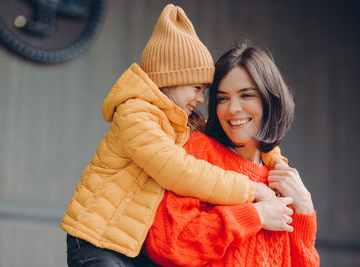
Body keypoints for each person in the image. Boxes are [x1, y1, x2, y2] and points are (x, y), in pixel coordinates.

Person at [61, 5, 286, 267]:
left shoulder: (181, 121)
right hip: (97, 241)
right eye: (196, 87)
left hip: (135, 248)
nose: (201, 99)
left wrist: (274, 159)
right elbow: (178, 170)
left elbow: (230, 137)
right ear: (172, 79)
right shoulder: (135, 114)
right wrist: (251, 190)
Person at [145, 43, 320, 266]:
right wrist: (255, 216)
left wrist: (305, 209)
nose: (232, 108)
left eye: (246, 95)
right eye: (222, 98)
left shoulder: (280, 177)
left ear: (270, 99)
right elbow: (167, 243)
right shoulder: (198, 153)